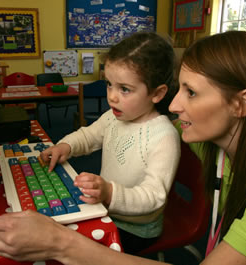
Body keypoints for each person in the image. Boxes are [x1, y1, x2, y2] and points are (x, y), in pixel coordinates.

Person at [0, 31, 246, 264]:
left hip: (136, 225)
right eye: (180, 88)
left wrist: (60, 242)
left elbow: (154, 181)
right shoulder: (211, 143)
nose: (176, 106)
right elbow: (92, 134)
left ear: (241, 103)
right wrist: (67, 144)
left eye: (191, 93)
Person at [39, 32, 181, 254]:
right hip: (106, 208)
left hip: (136, 230)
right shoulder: (115, 116)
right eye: (109, 84)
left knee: (73, 248)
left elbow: (154, 197)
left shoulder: (164, 136)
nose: (112, 97)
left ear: (157, 93)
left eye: (124, 89)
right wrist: (64, 146)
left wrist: (109, 193)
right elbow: (89, 136)